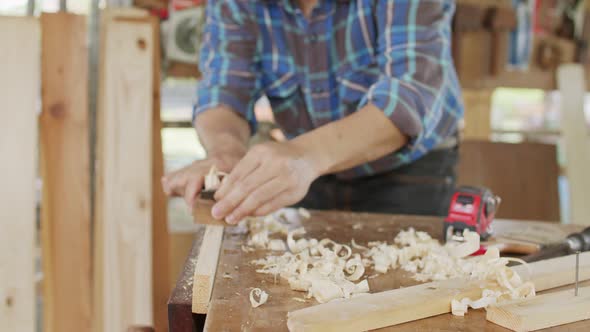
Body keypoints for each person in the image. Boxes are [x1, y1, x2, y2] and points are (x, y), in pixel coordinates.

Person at [162, 0, 463, 225]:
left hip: (408, 168)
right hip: (306, 172)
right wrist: (225, 151)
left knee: (407, 294)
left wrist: (304, 155)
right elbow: (223, 88)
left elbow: (409, 96)